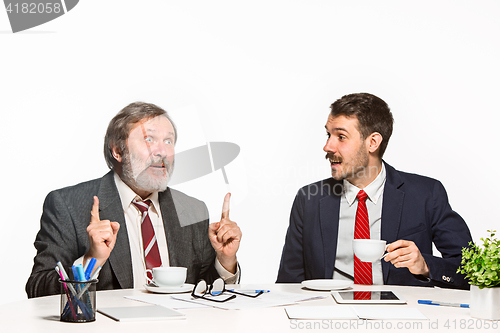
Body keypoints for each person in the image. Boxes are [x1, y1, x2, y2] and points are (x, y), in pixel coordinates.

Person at [26, 102, 241, 298]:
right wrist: (91, 261)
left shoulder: (193, 210)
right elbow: (37, 289)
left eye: (168, 141)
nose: (162, 151)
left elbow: (207, 293)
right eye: (149, 139)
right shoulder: (67, 205)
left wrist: (225, 261)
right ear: (118, 150)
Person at [276, 93, 472, 289]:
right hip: (330, 312)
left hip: (400, 316)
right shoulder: (309, 199)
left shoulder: (426, 194)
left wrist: (425, 265)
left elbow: (471, 271)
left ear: (373, 142)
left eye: (341, 137)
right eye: (329, 135)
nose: (328, 146)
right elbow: (289, 284)